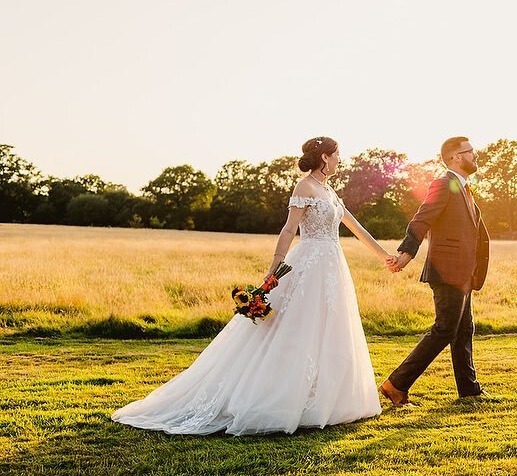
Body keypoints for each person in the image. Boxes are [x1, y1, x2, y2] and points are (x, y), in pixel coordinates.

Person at [112, 136, 398, 435]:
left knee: (331, 328)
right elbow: (289, 229)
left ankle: (325, 398)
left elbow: (354, 225)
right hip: (309, 264)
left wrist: (384, 256)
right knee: (296, 328)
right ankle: (279, 397)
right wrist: (273, 269)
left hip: (332, 266)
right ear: (325, 157)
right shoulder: (305, 187)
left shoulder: (329, 190)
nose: (341, 159)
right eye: (338, 154)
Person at [380, 136, 492, 406]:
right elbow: (421, 220)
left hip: (464, 272)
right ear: (455, 157)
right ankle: (396, 384)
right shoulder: (443, 184)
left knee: (464, 330)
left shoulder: (464, 188)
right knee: (444, 330)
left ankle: (469, 389)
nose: (475, 156)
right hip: (447, 271)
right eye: (471, 152)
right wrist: (406, 254)